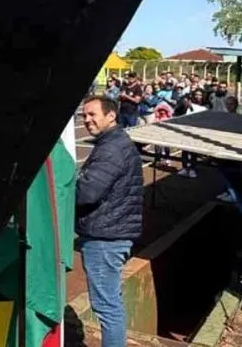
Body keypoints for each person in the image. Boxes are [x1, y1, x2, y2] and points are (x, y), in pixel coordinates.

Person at [77, 95, 143, 347]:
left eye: (93, 114)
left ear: (111, 115)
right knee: (110, 303)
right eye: (84, 115)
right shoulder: (114, 143)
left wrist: (62, 191)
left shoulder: (112, 148)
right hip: (111, 232)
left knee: (107, 307)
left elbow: (87, 193)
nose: (87, 120)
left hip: (106, 237)